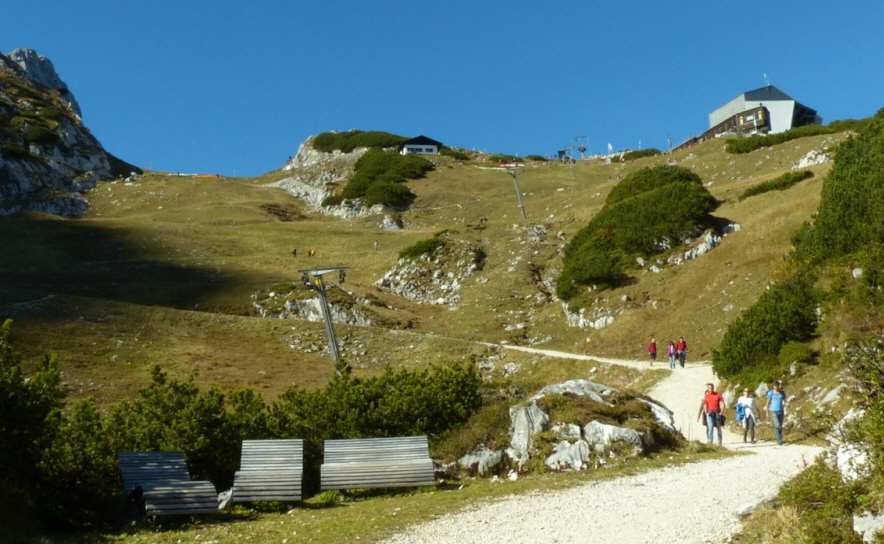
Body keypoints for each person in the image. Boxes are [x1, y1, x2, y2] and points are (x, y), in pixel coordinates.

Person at [766, 380, 788, 445]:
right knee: (777, 425)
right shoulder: (771, 393)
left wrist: (787, 404)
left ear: (779, 386)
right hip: (773, 411)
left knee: (780, 426)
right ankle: (779, 439)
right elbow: (767, 403)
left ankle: (780, 438)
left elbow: (785, 400)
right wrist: (767, 412)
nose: (776, 387)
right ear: (773, 386)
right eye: (775, 386)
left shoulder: (782, 393)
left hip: (781, 411)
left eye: (777, 386)